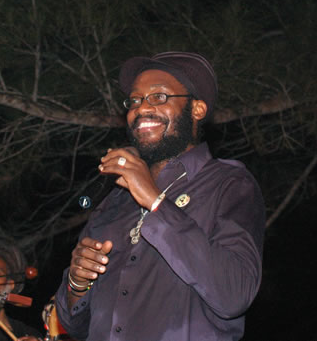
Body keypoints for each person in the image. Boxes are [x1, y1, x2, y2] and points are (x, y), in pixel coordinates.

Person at [54, 52, 265, 341]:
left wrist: (155, 202)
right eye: (135, 100)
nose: (141, 109)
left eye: (159, 97)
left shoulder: (228, 185)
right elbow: (78, 327)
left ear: (197, 109)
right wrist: (77, 284)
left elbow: (234, 295)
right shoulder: (114, 202)